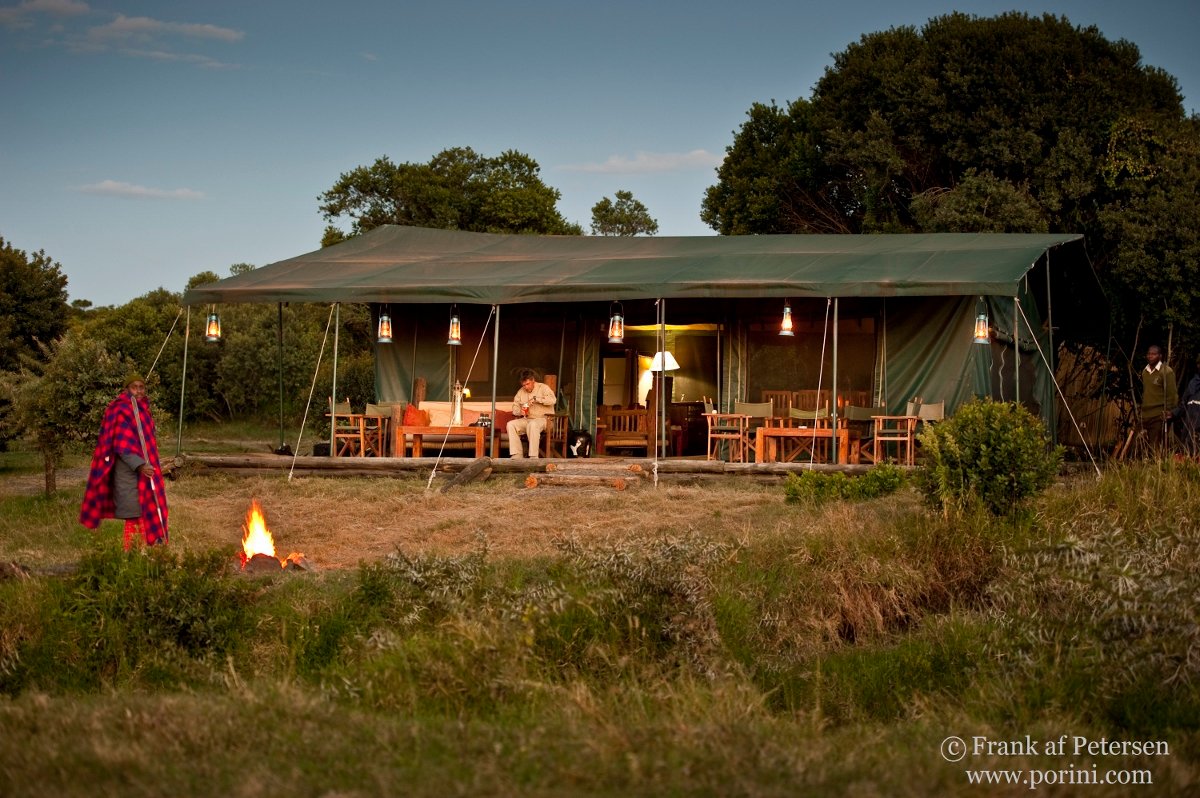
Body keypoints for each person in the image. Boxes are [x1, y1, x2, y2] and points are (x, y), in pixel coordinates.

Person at [80, 375, 169, 548]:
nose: (139, 391)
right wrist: (141, 465)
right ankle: (132, 554)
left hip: (145, 471)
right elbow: (122, 446)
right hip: (130, 473)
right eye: (135, 387)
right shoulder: (121, 410)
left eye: (142, 387)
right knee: (135, 516)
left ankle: (148, 551)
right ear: (127, 389)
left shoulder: (143, 409)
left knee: (147, 512)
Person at [506, 368, 556, 458]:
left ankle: (533, 457)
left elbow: (553, 400)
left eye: (528, 384)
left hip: (545, 420)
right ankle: (517, 454)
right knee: (511, 424)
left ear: (533, 380)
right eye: (524, 385)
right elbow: (515, 407)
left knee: (532, 424)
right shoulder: (521, 391)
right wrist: (519, 412)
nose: (526, 387)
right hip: (528, 419)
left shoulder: (543, 388)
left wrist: (537, 399)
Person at [1140, 345, 1177, 454]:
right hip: (1145, 414)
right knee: (1139, 445)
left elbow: (1173, 395)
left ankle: (1157, 469)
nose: (1150, 356)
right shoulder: (1145, 371)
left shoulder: (1166, 372)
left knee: (1154, 447)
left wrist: (1170, 412)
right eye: (1148, 354)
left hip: (1159, 415)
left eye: (1153, 354)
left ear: (1160, 356)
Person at [1171, 358, 1200, 454]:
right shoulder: (1193, 383)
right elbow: (1183, 404)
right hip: (1189, 427)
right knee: (1188, 454)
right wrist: (1172, 414)